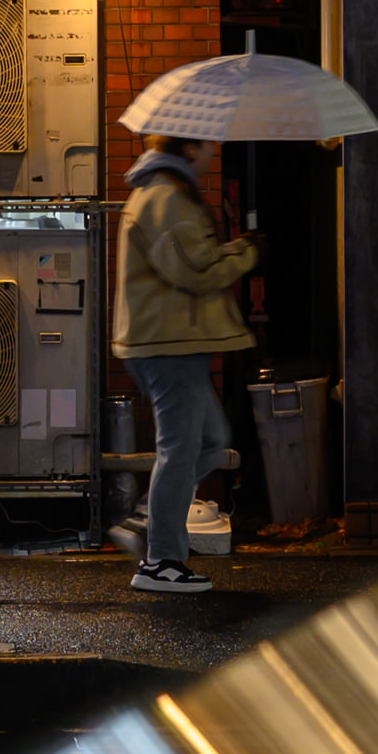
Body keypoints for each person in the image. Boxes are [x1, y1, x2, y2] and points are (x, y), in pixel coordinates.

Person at [112, 134, 259, 592]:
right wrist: (248, 251)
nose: (214, 150)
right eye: (208, 144)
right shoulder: (165, 198)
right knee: (180, 449)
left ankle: (149, 520)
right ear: (189, 147)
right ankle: (161, 561)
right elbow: (197, 270)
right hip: (167, 344)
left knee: (211, 442)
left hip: (172, 342)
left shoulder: (167, 192)